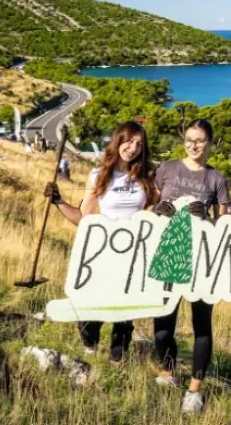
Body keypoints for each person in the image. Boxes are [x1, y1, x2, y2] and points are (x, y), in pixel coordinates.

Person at [44, 121, 156, 364]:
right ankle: (90, 346)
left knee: (124, 312)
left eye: (139, 144)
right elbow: (84, 218)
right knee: (90, 306)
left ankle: (117, 361)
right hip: (103, 249)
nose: (133, 148)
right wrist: (58, 201)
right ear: (118, 140)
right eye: (129, 141)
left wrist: (151, 215)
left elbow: (151, 206)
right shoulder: (98, 175)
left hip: (134, 252)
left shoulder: (146, 176)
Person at [148, 119, 231, 415]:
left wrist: (208, 220)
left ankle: (194, 390)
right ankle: (169, 374)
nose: (193, 145)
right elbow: (148, 208)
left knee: (201, 326)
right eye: (188, 140)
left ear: (210, 143)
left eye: (200, 140)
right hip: (167, 257)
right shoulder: (167, 169)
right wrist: (158, 209)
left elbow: (225, 227)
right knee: (162, 326)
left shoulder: (217, 180)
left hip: (201, 264)